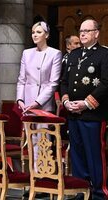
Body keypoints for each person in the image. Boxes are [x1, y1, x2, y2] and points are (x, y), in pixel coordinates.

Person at [61, 19, 108, 199]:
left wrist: (86, 103)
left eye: (87, 31)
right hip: (73, 114)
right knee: (77, 155)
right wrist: (66, 102)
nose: (82, 34)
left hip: (93, 114)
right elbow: (64, 82)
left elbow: (106, 83)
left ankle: (98, 193)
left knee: (94, 155)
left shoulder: (104, 54)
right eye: (81, 31)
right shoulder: (73, 55)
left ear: (96, 33)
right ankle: (81, 192)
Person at [16, 20, 62, 167]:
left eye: (39, 32)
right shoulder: (26, 53)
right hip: (27, 105)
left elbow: (53, 83)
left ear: (47, 35)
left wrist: (37, 102)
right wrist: (20, 100)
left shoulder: (55, 54)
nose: (35, 35)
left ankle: (43, 179)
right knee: (31, 142)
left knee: (43, 142)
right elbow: (21, 80)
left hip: (43, 105)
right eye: (33, 32)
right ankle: (33, 180)